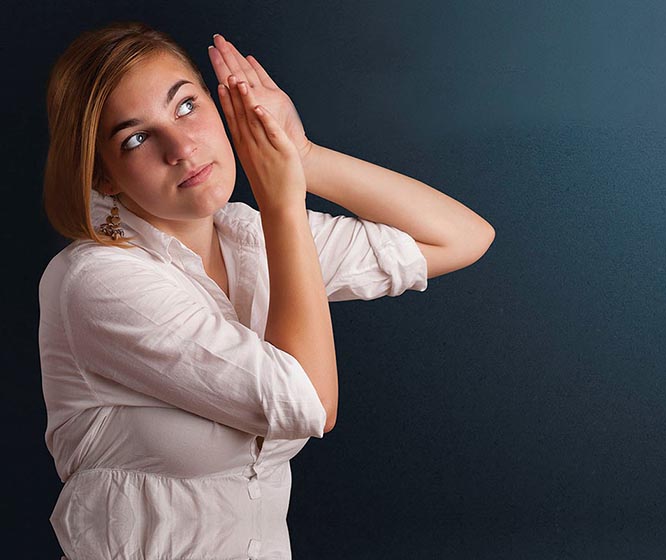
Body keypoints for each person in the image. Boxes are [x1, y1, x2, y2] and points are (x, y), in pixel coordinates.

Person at [38, 21, 494, 559]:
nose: (182, 147)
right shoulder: (98, 282)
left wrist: (304, 157)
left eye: (186, 105)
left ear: (219, 105)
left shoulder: (248, 237)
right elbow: (310, 405)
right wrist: (283, 203)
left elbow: (462, 237)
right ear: (104, 176)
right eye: (136, 138)